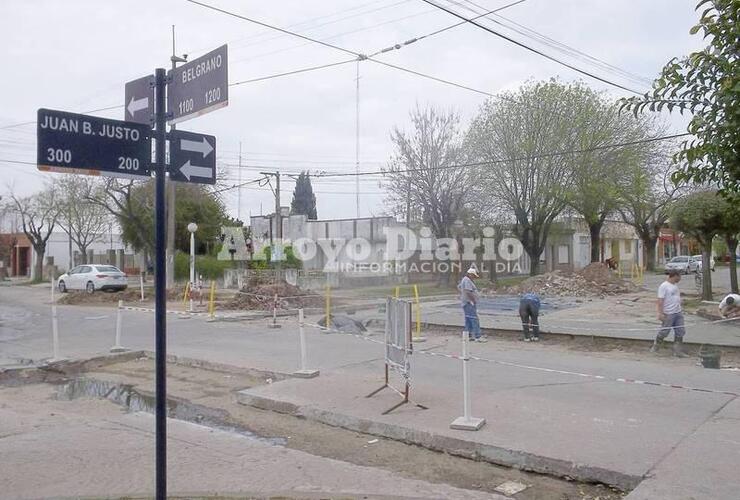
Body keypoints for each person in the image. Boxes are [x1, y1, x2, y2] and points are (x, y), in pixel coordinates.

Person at [651, 270, 688, 357]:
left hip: (678, 312)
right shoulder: (664, 286)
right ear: (675, 276)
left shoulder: (675, 285)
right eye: (679, 276)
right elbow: (660, 300)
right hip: (669, 313)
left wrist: (680, 302)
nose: (680, 279)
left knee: (680, 331)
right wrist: (660, 313)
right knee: (664, 331)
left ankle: (677, 351)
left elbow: (675, 297)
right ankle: (656, 346)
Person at [458, 266, 486, 342]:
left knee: (468, 319)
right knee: (474, 319)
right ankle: (478, 336)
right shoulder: (467, 280)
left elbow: (460, 288)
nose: (474, 277)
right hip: (469, 303)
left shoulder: (465, 280)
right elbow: (468, 291)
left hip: (466, 302)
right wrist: (473, 300)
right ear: (470, 274)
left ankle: (468, 335)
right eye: (473, 276)